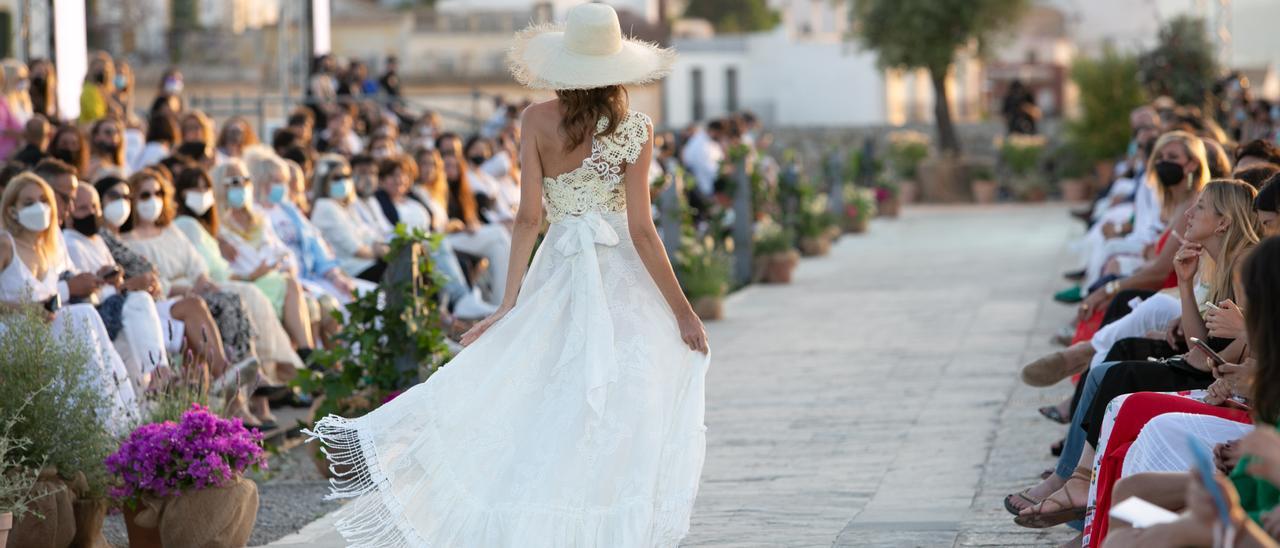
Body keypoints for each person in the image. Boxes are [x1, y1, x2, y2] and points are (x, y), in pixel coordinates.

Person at [304, 5, 710, 545]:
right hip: (620, 277)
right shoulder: (635, 128)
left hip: (560, 267)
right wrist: (683, 311)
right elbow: (642, 230)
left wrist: (508, 302)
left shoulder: (536, 120)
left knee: (544, 394)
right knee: (620, 405)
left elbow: (527, 218)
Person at [0, 173, 138, 433]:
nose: (39, 207)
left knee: (85, 315)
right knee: (83, 317)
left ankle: (116, 420)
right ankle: (109, 424)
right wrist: (28, 309)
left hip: (40, 330)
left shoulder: (48, 249)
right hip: (11, 331)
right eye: (28, 202)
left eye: (43, 200)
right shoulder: (5, 244)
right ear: (13, 210)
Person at [0, 60, 32, 161]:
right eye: (20, 78)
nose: (24, 82)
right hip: (5, 155)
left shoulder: (23, 101)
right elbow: (2, 129)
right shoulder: (4, 102)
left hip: (17, 152)